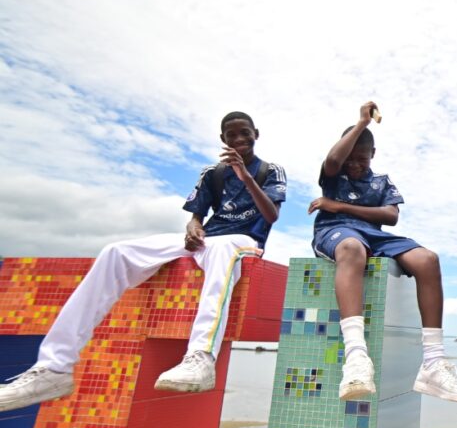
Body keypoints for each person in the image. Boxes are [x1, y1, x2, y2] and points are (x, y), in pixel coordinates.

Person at [0, 111, 287, 411]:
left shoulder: (270, 170)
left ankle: (201, 356)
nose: (239, 139)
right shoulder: (212, 173)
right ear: (222, 139)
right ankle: (54, 367)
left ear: (256, 133)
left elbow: (271, 215)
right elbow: (196, 216)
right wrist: (193, 227)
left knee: (223, 249)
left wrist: (245, 177)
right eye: (232, 135)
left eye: (245, 133)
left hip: (243, 241)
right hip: (208, 239)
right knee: (116, 252)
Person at [310, 101, 457, 404]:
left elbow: (390, 216)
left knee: (428, 259)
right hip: (336, 231)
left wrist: (338, 205)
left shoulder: (381, 181)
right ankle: (356, 356)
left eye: (361, 158)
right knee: (352, 248)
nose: (354, 164)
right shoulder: (334, 174)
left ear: (373, 154)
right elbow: (333, 160)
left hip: (374, 235)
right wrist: (362, 123)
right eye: (350, 159)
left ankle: (433, 363)